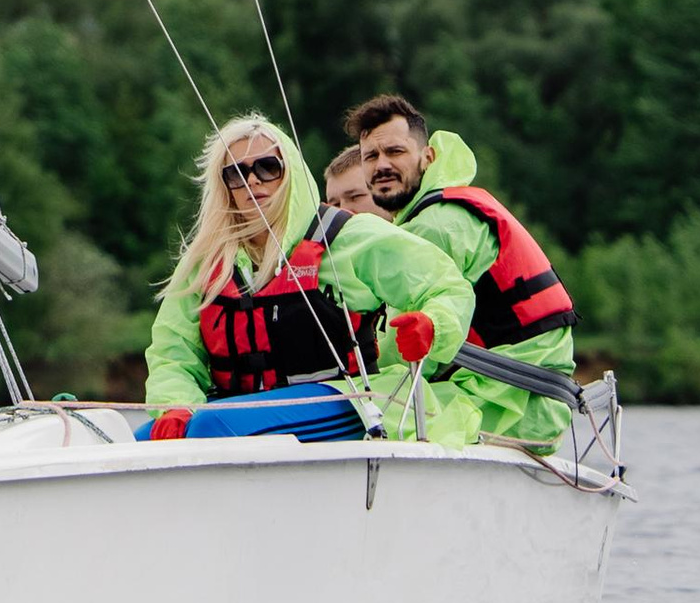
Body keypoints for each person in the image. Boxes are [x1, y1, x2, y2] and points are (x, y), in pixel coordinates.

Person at [141, 114, 484, 443]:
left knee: (211, 425)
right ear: (224, 186)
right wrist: (175, 406)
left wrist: (433, 326)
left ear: (289, 173)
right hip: (243, 408)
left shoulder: (350, 238)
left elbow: (445, 285)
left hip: (350, 399)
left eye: (267, 167)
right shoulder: (206, 263)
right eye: (236, 173)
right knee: (141, 438)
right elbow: (173, 352)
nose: (253, 180)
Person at [344, 92, 578, 447]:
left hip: (508, 402)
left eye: (395, 152)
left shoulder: (436, 227)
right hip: (531, 400)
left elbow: (403, 347)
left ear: (428, 157)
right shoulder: (445, 207)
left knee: (346, 402)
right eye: (370, 157)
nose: (381, 166)